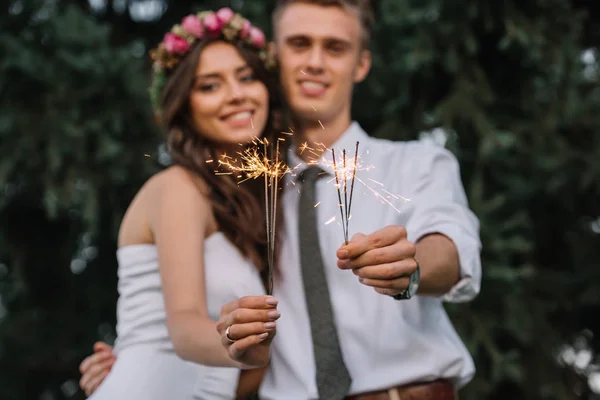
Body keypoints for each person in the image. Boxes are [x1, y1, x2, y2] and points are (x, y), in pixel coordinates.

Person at [82, 1, 482, 399]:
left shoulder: (416, 163)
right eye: (299, 44)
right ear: (273, 60)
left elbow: (450, 250)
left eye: (335, 48)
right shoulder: (244, 198)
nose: (315, 62)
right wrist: (144, 365)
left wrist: (411, 268)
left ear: (361, 65)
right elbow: (233, 341)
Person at [79, 7, 285, 399]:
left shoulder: (249, 203)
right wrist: (235, 341)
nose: (237, 94)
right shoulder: (178, 187)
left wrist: (255, 350)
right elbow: (186, 330)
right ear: (183, 106)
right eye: (210, 86)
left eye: (246, 77)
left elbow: (247, 370)